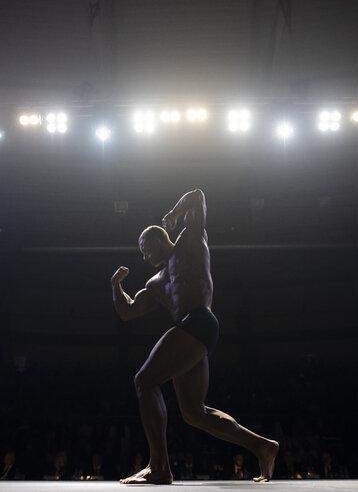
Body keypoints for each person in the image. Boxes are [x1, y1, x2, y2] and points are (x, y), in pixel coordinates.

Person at [111, 188, 279, 484]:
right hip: (193, 335)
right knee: (193, 413)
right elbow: (128, 312)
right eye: (141, 252)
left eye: (146, 247)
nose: (144, 255)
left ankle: (159, 468)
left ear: (160, 239)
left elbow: (198, 196)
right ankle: (263, 446)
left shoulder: (190, 241)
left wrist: (174, 213)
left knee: (144, 380)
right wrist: (115, 286)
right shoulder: (156, 283)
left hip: (199, 321)